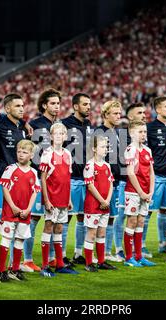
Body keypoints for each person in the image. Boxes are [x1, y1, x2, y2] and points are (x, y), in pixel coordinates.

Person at [24, 88, 61, 271]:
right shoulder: (36, 124)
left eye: (58, 103)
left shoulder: (60, 126)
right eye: (52, 103)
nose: (56, 106)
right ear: (44, 105)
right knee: (34, 219)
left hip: (56, 182)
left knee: (53, 219)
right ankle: (27, 259)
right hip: (39, 178)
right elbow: (28, 150)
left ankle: (53, 257)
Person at [0, 140, 40, 282]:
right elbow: (5, 188)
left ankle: (15, 269)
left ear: (31, 155)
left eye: (25, 152)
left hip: (24, 212)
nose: (21, 155)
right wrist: (13, 206)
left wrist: (28, 209)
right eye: (19, 151)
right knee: (6, 238)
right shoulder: (10, 169)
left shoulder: (34, 172)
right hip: (11, 211)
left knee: (20, 239)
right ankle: (2, 270)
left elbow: (34, 192)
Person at [39, 122, 78, 276]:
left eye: (62, 133)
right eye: (56, 133)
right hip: (52, 199)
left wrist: (69, 199)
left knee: (60, 229)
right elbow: (43, 179)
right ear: (51, 136)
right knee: (48, 227)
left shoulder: (68, 154)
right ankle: (44, 266)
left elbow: (67, 178)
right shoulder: (47, 154)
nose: (59, 136)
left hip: (63, 198)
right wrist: (46, 200)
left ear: (66, 136)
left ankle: (60, 264)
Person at [62, 93, 93, 268]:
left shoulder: (88, 125)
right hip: (72, 178)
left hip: (86, 178)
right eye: (85, 104)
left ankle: (79, 252)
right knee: (66, 217)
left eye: (89, 104)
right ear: (75, 106)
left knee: (83, 217)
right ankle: (62, 255)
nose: (88, 107)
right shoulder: (65, 125)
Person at [93, 100, 124, 263]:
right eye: (114, 113)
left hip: (116, 182)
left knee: (111, 217)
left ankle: (105, 251)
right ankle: (97, 253)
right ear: (105, 115)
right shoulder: (98, 133)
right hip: (102, 183)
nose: (118, 116)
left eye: (119, 113)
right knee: (99, 218)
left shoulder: (119, 133)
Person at [122, 120, 156, 267]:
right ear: (131, 133)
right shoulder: (130, 149)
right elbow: (130, 173)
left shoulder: (147, 150)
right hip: (133, 192)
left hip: (145, 193)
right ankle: (129, 258)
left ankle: (139, 256)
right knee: (132, 222)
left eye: (144, 132)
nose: (143, 134)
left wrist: (151, 191)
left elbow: (151, 172)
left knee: (141, 221)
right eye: (140, 132)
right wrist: (141, 192)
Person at [146, 97, 166, 255]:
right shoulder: (149, 128)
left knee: (165, 211)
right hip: (155, 176)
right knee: (148, 212)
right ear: (158, 110)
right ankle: (141, 246)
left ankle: (163, 243)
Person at [83, 135, 116, 272]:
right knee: (92, 233)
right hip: (93, 205)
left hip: (105, 205)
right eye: (102, 147)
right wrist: (102, 200)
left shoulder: (107, 166)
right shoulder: (90, 165)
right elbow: (90, 186)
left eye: (106, 147)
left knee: (102, 233)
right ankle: (89, 263)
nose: (105, 149)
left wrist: (107, 200)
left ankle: (102, 261)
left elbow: (111, 184)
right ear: (94, 149)